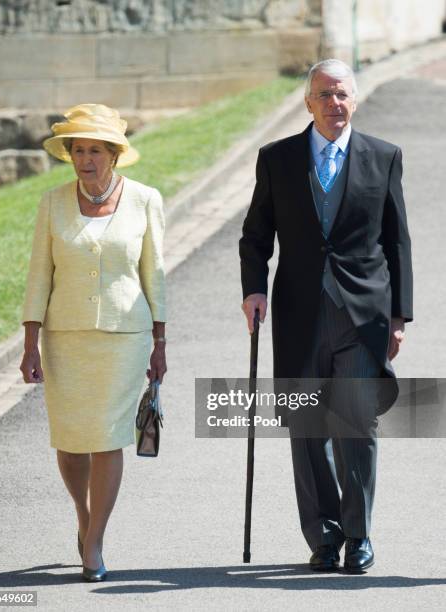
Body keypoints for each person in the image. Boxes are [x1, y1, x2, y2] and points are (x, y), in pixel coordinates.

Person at [239, 59, 413, 573]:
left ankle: (359, 535)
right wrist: (253, 289)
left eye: (343, 95)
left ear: (354, 101)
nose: (335, 103)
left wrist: (399, 315)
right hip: (298, 313)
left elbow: (396, 240)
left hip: (363, 315)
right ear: (308, 102)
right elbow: (256, 233)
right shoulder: (277, 159)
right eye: (325, 95)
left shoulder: (384, 157)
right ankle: (323, 536)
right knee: (307, 426)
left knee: (355, 422)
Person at [20, 104, 167, 582]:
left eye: (95, 151)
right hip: (64, 338)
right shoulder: (50, 203)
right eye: (77, 150)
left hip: (125, 338)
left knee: (107, 438)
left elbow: (155, 275)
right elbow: (39, 274)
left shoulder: (146, 200)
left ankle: (96, 539)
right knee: (70, 440)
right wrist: (30, 341)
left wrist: (160, 342)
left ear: (114, 155)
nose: (85, 159)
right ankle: (82, 518)